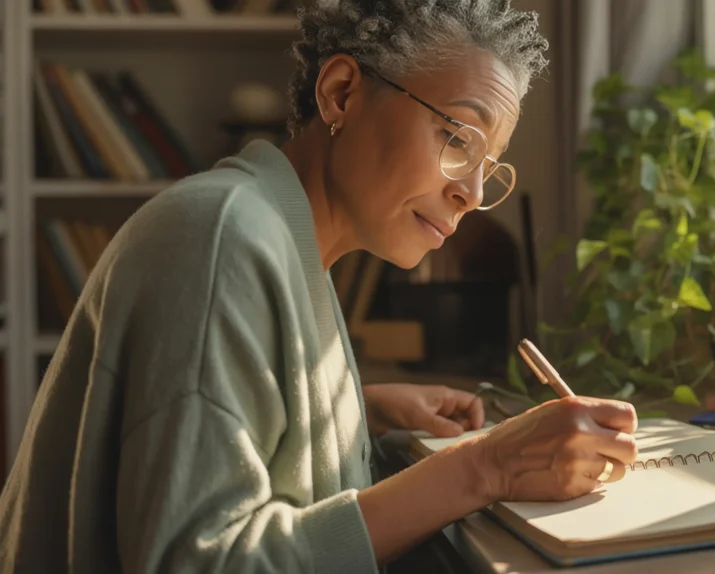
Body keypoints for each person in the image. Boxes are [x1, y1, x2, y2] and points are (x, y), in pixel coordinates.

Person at [0, 1, 640, 572]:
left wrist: (356, 411)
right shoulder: (223, 234)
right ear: (340, 93)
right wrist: (486, 466)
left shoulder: (290, 243)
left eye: (488, 168)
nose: (471, 194)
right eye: (456, 138)